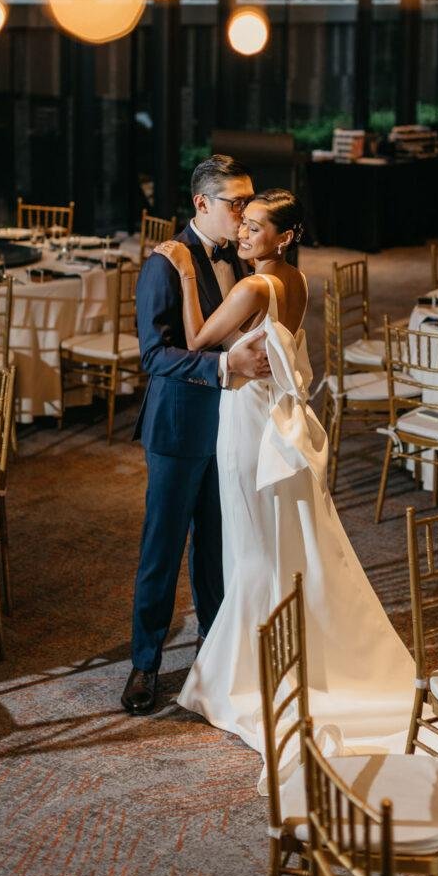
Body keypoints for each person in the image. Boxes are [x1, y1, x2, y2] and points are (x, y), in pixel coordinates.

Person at [158, 189, 416, 768]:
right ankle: (274, 652)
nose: (244, 235)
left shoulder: (253, 286)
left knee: (250, 545)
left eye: (256, 228)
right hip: (269, 418)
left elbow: (199, 340)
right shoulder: (293, 284)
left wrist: (182, 277)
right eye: (243, 225)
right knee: (273, 541)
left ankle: (249, 671)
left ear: (286, 236)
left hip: (249, 423)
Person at [121, 155, 270, 715]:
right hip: (180, 425)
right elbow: (155, 355)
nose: (246, 213)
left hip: (232, 426)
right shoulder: (165, 264)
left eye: (250, 202)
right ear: (202, 204)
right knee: (162, 548)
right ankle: (145, 663)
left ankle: (215, 648)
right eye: (236, 203)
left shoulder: (243, 257)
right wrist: (223, 369)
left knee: (217, 546)